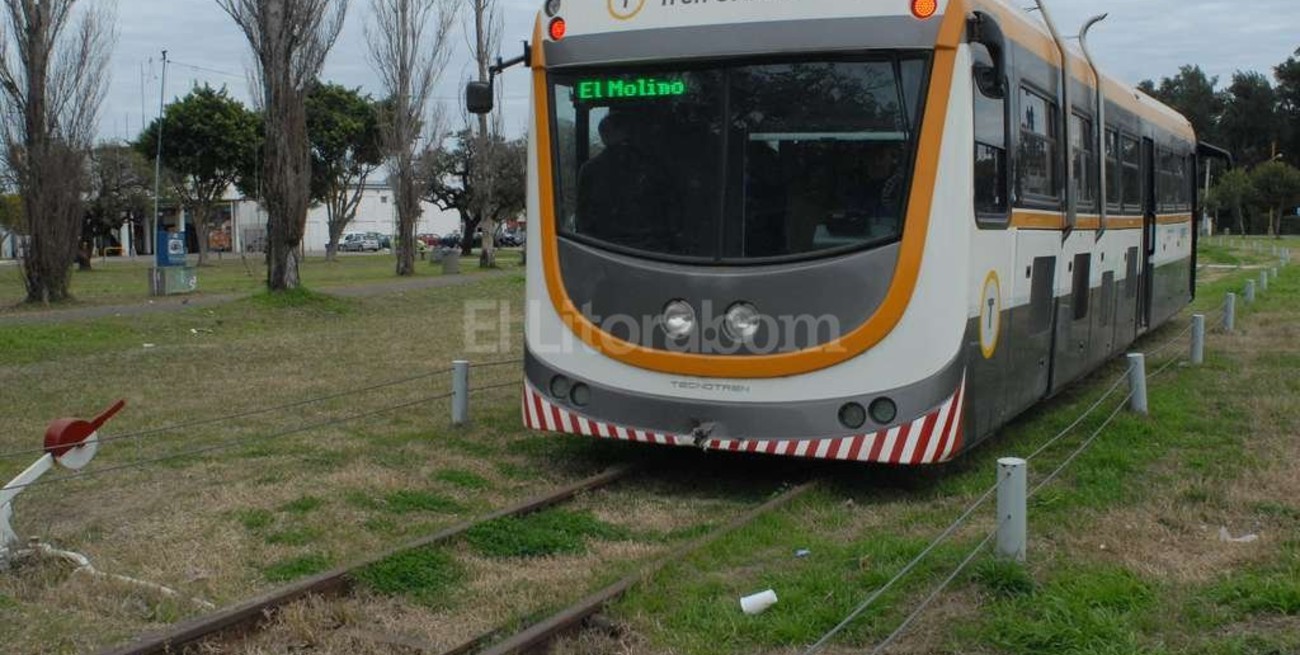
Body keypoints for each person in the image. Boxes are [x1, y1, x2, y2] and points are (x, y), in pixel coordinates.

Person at [576, 111, 675, 251]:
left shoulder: (589, 169)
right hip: (650, 246)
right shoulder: (651, 166)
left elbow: (583, 216)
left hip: (601, 246)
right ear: (628, 132)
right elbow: (668, 209)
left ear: (603, 136)